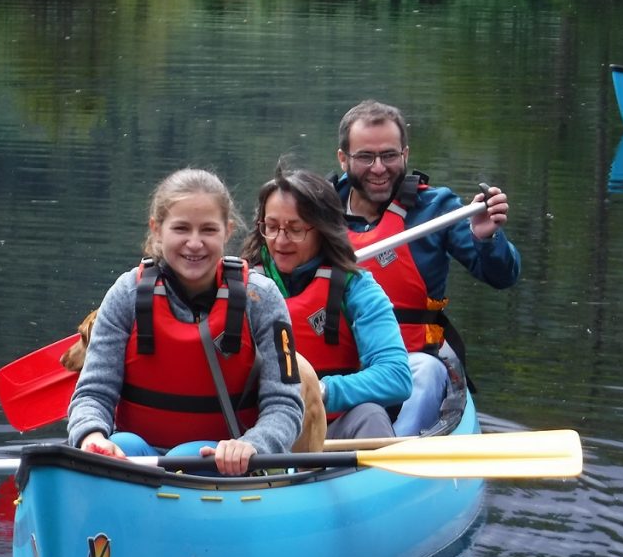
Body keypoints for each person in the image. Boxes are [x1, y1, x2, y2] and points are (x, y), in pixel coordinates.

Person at [66, 167, 304, 476]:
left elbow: (284, 405)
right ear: (157, 229)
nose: (194, 243)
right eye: (181, 229)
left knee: (188, 456)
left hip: (227, 461)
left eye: (208, 230)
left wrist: (253, 444)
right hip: (140, 456)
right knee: (120, 443)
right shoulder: (126, 294)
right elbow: (92, 394)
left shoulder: (260, 298)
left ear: (228, 231)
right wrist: (91, 437)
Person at [333, 100, 520, 436]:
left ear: (405, 155)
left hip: (412, 362)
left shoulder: (437, 208)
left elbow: (502, 276)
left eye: (389, 155)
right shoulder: (315, 211)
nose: (379, 168)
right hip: (333, 364)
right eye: (365, 157)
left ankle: (394, 451)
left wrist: (487, 239)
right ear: (343, 159)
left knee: (424, 372)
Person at [242, 167, 412, 440]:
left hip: (330, 433)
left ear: (322, 230)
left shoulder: (356, 287)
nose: (280, 240)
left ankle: (365, 477)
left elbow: (396, 376)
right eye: (271, 227)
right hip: (255, 435)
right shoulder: (240, 284)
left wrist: (318, 391)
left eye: (295, 229)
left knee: (371, 414)